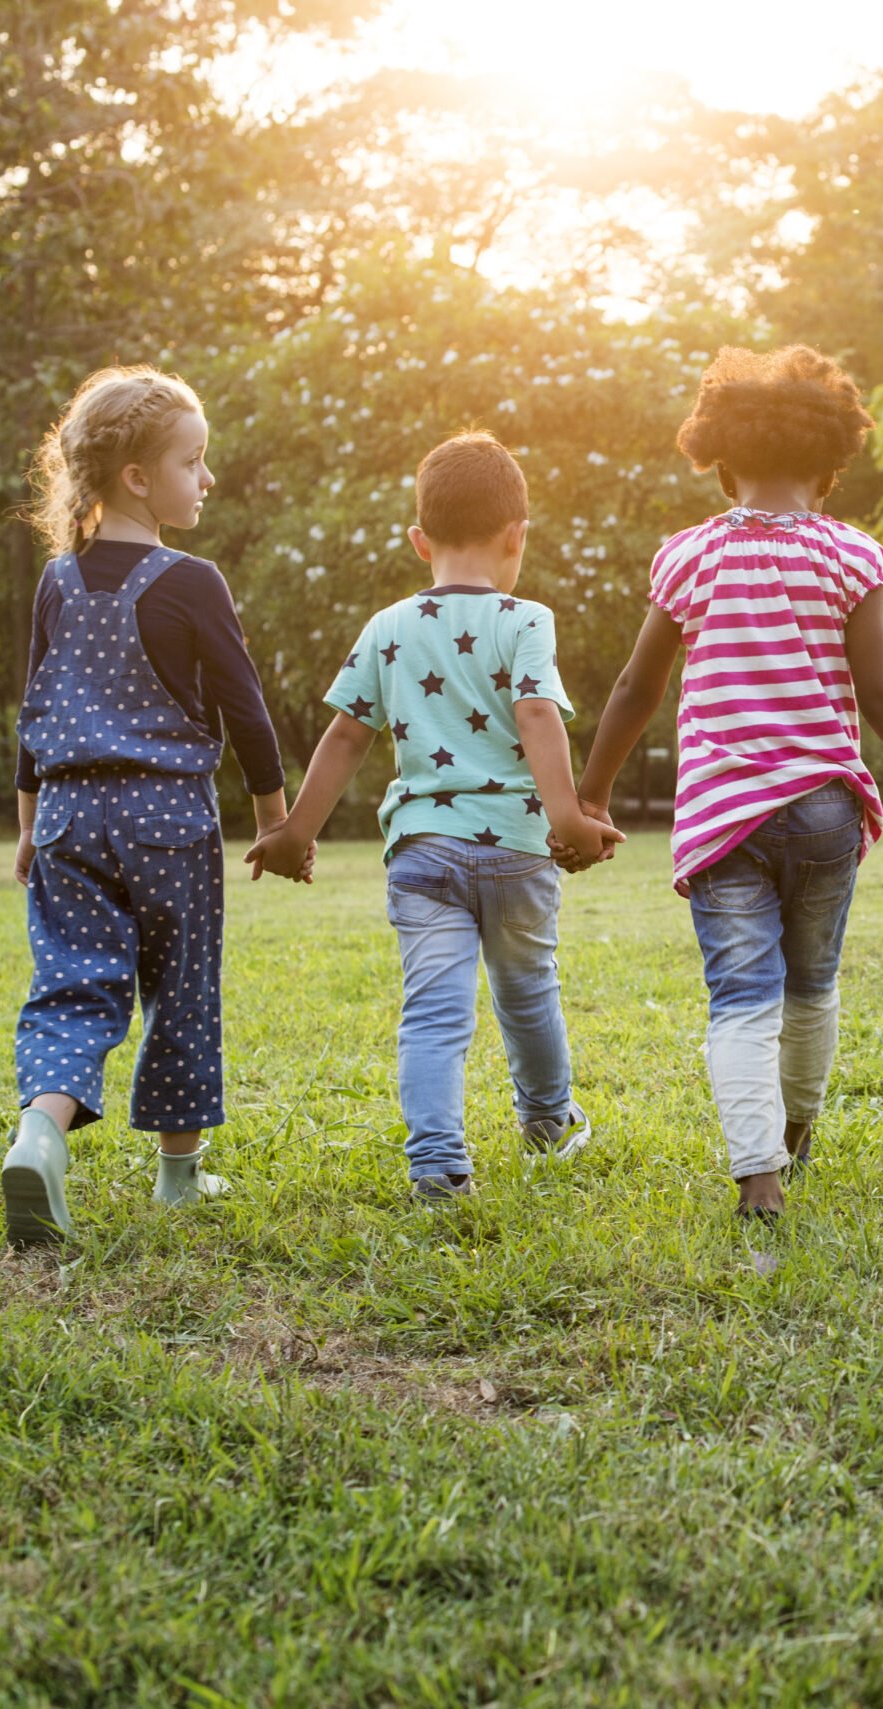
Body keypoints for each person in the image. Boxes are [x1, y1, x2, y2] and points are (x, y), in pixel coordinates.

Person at [559, 346, 883, 1221]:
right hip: (822, 810)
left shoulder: (688, 556)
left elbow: (636, 687)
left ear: (721, 461)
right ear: (831, 464)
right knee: (811, 985)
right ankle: (796, 1135)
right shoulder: (852, 554)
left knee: (740, 995)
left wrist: (592, 796)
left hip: (722, 816)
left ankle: (758, 1179)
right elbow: (882, 696)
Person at [246, 433, 620, 1200]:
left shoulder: (388, 627)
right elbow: (538, 715)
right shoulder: (526, 619)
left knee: (433, 1014)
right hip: (517, 850)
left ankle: (439, 1165)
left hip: (423, 857)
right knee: (528, 994)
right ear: (518, 535)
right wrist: (569, 819)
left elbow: (346, 735)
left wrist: (294, 834)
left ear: (420, 540)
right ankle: (548, 1123)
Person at [2, 365, 298, 1246]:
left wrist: (27, 829)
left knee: (72, 988)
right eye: (193, 462)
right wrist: (275, 821)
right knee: (181, 990)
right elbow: (245, 708)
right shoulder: (193, 579)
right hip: (167, 816)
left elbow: (36, 706)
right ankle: (177, 1176)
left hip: (66, 816)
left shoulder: (58, 579)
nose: (207, 479)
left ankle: (40, 1135)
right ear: (138, 477)